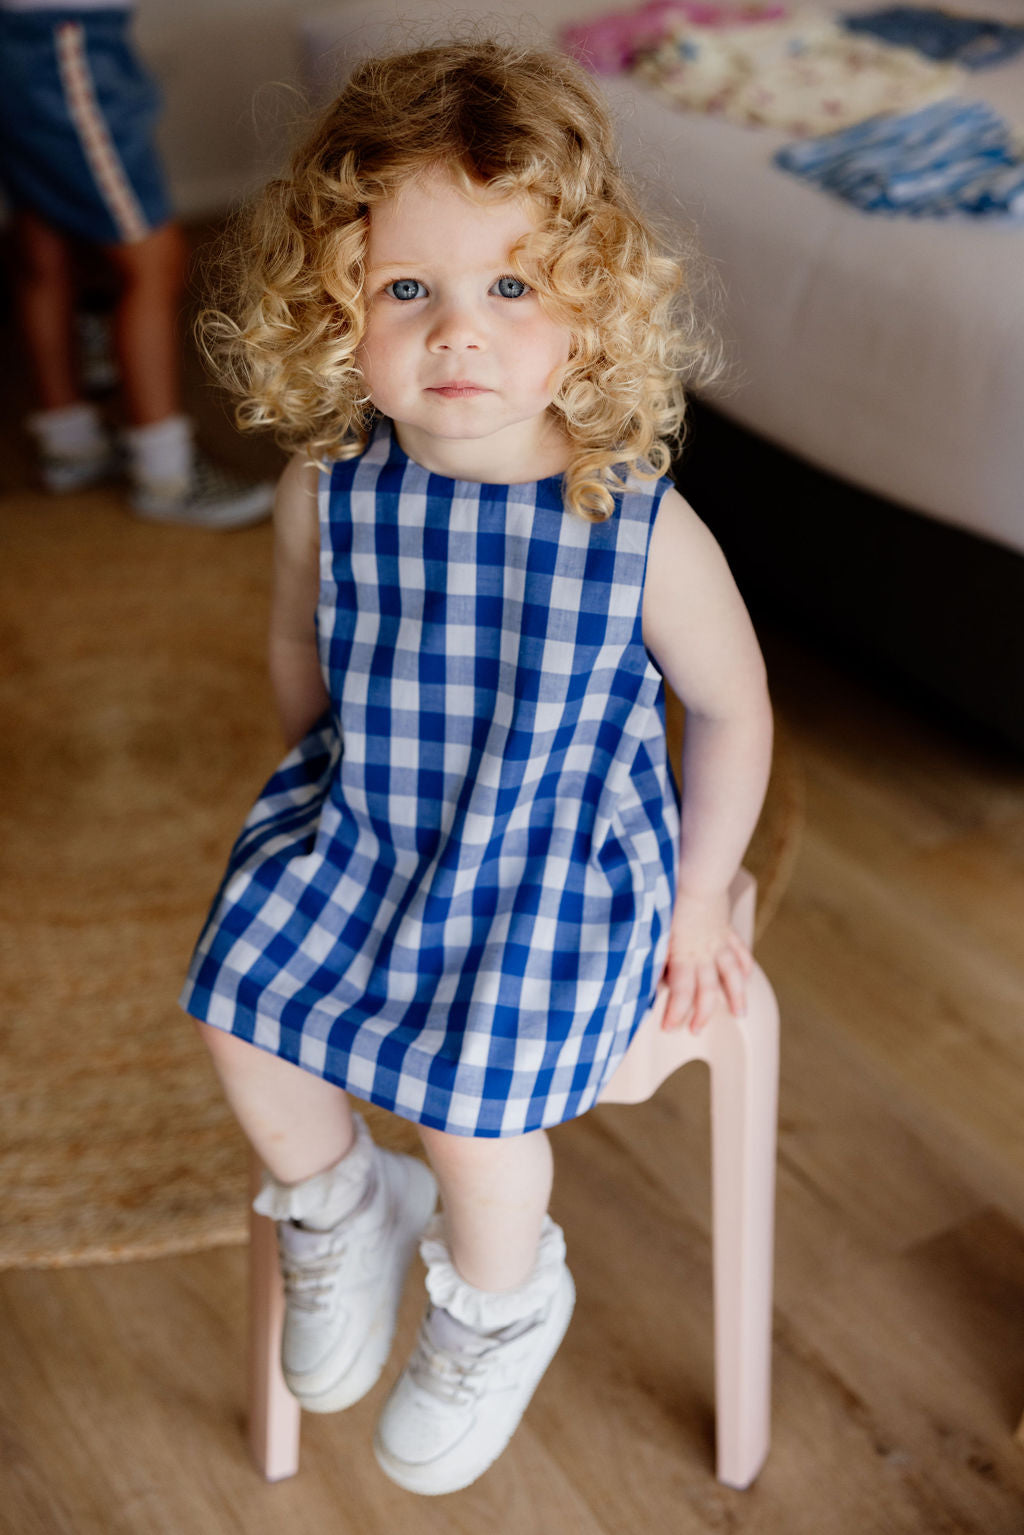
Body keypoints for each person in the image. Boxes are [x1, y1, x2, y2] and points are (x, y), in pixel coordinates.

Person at [181, 38, 774, 1495]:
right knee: (239, 998)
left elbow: (737, 711)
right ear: (336, 310)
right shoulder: (328, 489)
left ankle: (499, 1304)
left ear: (589, 305)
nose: (460, 334)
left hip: (558, 860)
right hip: (385, 817)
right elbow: (297, 663)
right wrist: (323, 796)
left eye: (511, 286)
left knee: (469, 1099)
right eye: (407, 291)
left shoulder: (633, 521)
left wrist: (699, 902)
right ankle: (336, 1205)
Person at [0, 0, 273, 528]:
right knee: (154, 259)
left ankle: (69, 444)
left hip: (32, 31)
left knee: (44, 240)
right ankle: (163, 474)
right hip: (61, 37)